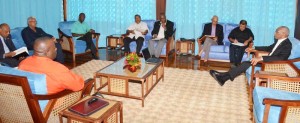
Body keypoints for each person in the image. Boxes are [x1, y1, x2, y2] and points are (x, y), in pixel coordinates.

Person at [209, 26, 292, 86]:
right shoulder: (279, 41)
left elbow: (281, 58)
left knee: (246, 64)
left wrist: (261, 58)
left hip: (274, 65)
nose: (274, 33)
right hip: (268, 61)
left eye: (277, 32)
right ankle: (223, 78)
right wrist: (253, 48)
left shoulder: (287, 44)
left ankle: (223, 77)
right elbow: (268, 48)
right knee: (246, 63)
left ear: (283, 34)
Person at [19, 37, 84, 94]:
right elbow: (78, 86)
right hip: (53, 103)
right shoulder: (57, 68)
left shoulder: (23, 63)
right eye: (54, 47)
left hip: (31, 101)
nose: (56, 49)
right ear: (47, 51)